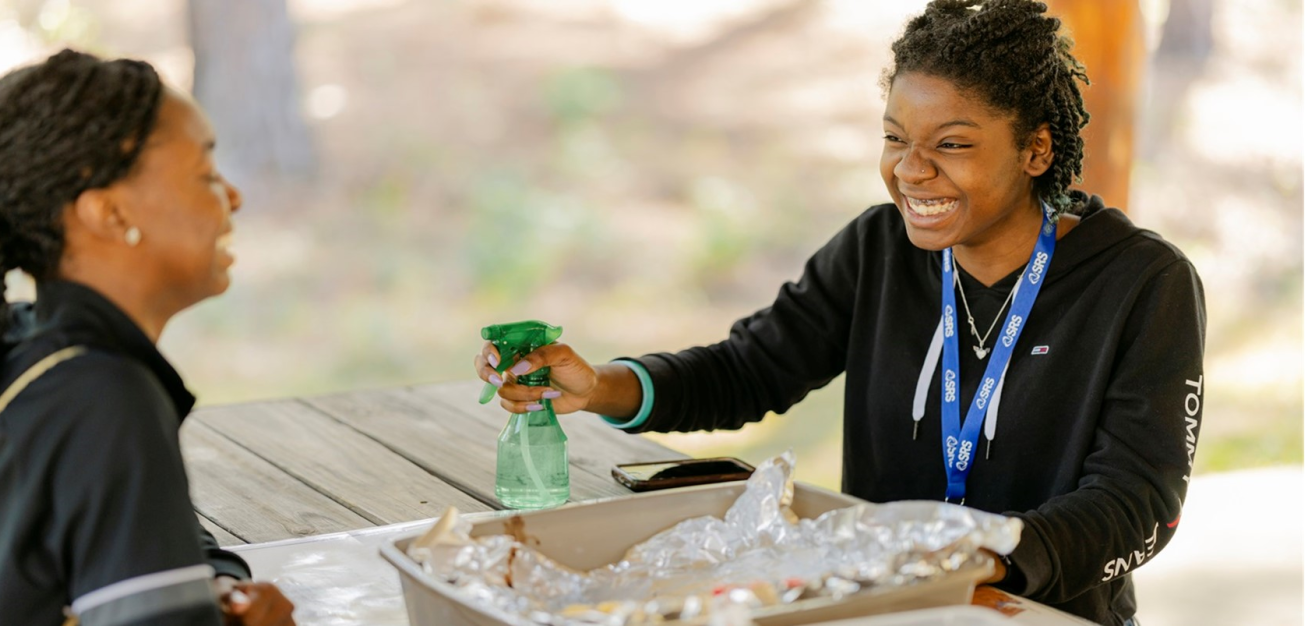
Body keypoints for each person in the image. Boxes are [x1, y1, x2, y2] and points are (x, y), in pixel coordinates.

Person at [475, 2, 1205, 625]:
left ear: (1036, 150)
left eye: (951, 145)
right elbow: (751, 370)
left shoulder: (1143, 283)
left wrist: (987, 565)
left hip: (1032, 612)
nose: (912, 170)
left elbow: (1139, 502)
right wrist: (600, 386)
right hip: (885, 606)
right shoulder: (879, 246)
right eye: (895, 138)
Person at [0, 51, 295, 626]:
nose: (233, 198)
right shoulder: (101, 396)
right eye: (207, 175)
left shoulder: (25, 348)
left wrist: (215, 589)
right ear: (110, 214)